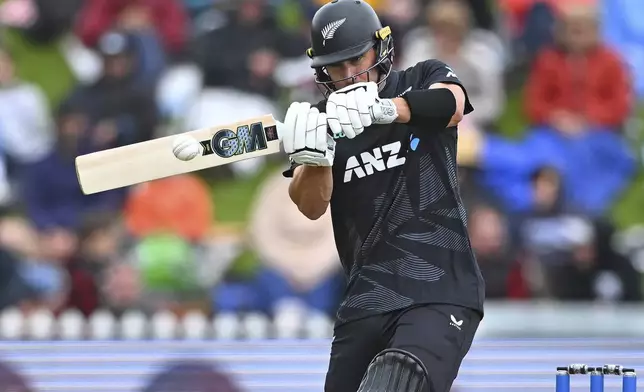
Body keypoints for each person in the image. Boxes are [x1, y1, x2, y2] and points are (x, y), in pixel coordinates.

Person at [281, 1, 485, 391]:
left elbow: (453, 106)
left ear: (380, 47)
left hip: (438, 289)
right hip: (365, 300)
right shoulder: (320, 120)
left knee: (397, 379)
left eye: (357, 60)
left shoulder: (421, 77)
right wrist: (316, 155)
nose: (349, 76)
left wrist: (383, 110)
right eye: (335, 68)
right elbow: (309, 205)